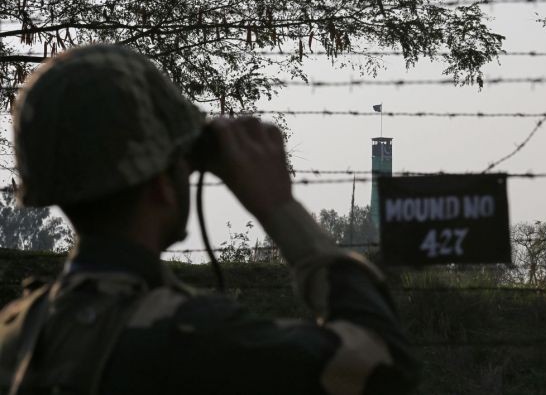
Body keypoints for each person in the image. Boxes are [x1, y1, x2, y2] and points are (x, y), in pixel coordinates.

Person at [0, 45, 417, 395]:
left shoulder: (16, 333)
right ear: (162, 186)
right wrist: (278, 207)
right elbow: (385, 366)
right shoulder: (193, 338)